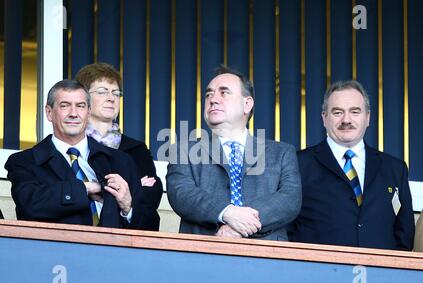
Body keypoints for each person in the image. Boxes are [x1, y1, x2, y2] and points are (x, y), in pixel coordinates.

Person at [166, 66, 302, 240]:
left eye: (224, 93)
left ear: (247, 104)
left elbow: (289, 200)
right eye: (208, 95)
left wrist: (238, 227)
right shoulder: (183, 150)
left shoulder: (282, 153)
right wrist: (227, 213)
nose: (213, 99)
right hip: (203, 254)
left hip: (267, 258)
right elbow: (181, 194)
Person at [5, 79, 159, 230]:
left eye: (80, 106)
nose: (73, 113)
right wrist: (87, 188)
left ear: (88, 112)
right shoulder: (24, 161)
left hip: (113, 254)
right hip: (54, 253)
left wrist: (128, 207)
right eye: (65, 106)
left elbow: (151, 226)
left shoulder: (120, 161)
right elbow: (31, 205)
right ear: (49, 112)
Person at [289, 80, 415, 250]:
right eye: (337, 112)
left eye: (355, 112)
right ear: (324, 118)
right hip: (317, 273)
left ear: (368, 117)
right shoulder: (297, 164)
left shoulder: (395, 169)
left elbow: (404, 234)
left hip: (380, 274)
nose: (346, 120)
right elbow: (286, 228)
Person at [75, 62, 162, 230]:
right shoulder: (74, 145)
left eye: (116, 93)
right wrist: (134, 187)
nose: (111, 98)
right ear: (83, 98)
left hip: (125, 238)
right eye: (102, 91)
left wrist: (101, 192)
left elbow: (152, 198)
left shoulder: (137, 149)